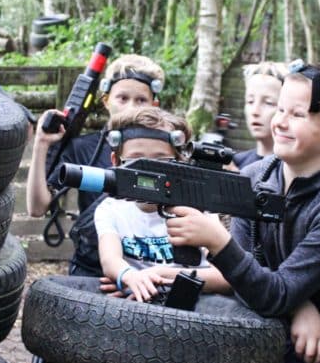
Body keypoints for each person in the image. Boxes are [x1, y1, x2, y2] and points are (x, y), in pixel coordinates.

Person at [167, 61, 320, 363]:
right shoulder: (257, 176)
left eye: (296, 114)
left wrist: (217, 242)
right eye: (280, 108)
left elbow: (266, 288)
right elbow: (250, 276)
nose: (278, 121)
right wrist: (298, 305)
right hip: (284, 304)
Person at [93, 107, 231, 301]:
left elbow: (225, 277)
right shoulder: (111, 209)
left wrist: (157, 276)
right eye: (136, 161)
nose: (148, 173)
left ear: (179, 162)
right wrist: (129, 277)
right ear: (116, 162)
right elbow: (110, 260)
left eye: (161, 161)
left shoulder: (198, 208)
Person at [233, 61, 287, 169]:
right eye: (250, 101)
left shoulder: (291, 169)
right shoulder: (235, 162)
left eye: (268, 103)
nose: (255, 111)